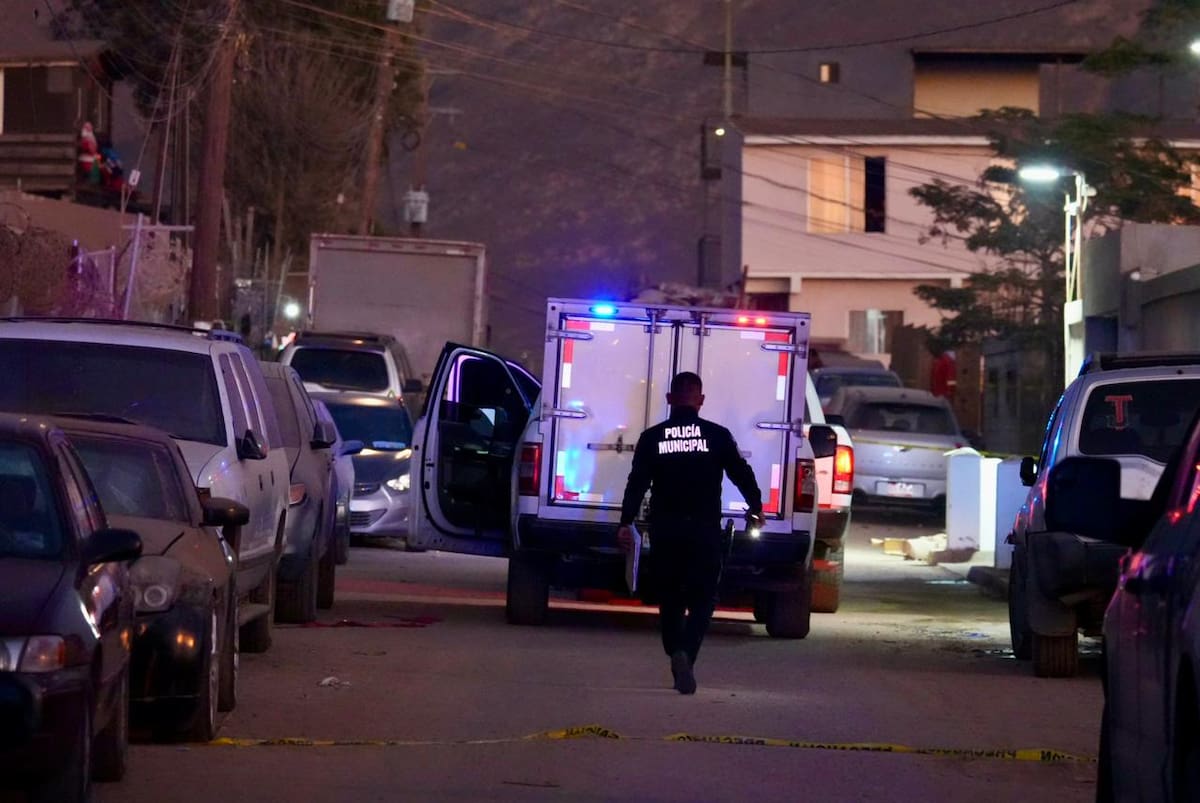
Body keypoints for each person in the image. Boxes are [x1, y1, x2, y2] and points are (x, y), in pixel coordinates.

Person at [617, 371, 764, 695]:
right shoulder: (717, 436)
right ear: (700, 400)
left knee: (670, 597)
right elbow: (741, 473)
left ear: (670, 399)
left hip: (666, 530)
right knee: (704, 598)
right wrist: (756, 506)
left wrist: (625, 522)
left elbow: (637, 483)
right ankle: (686, 653)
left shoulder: (653, 437)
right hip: (704, 531)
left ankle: (675, 651)